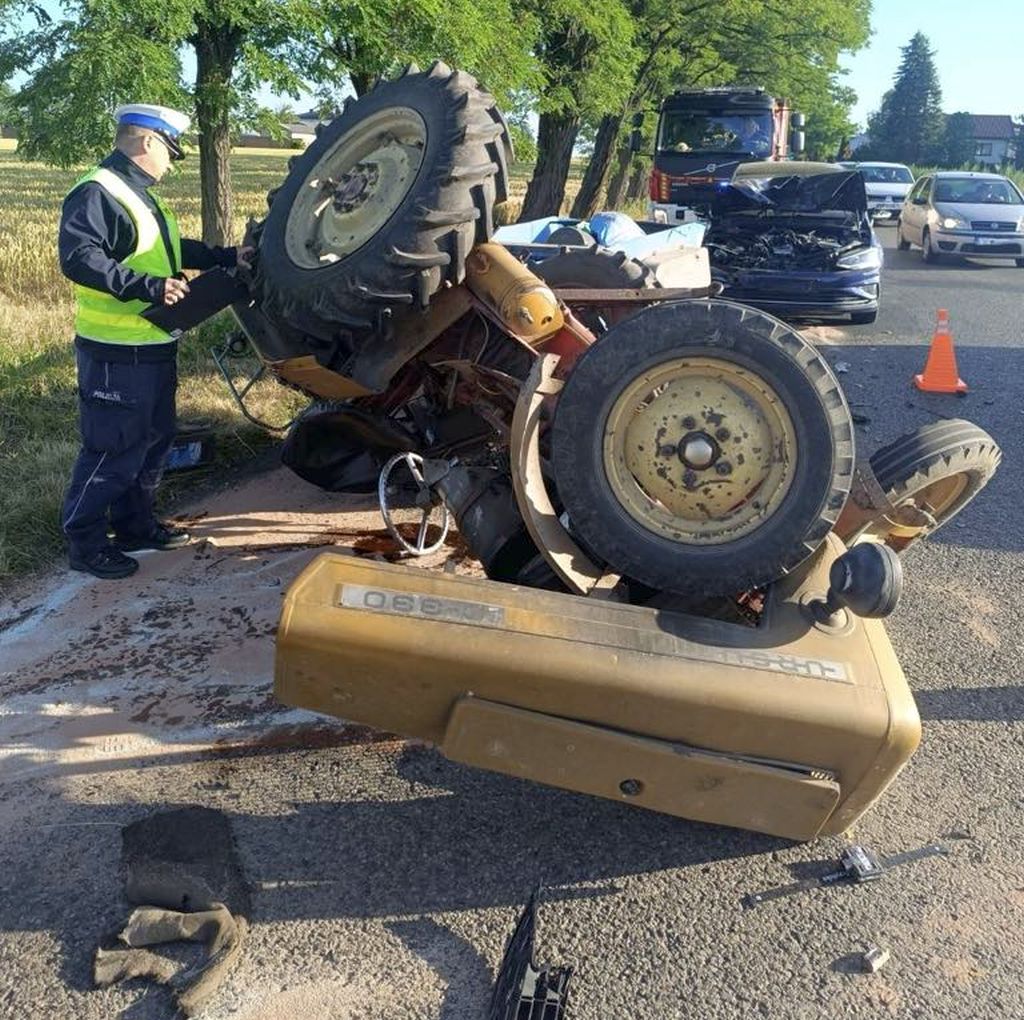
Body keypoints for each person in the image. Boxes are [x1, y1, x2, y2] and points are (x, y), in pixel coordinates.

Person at [58, 103, 253, 579]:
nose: (171, 161)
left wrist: (225, 255)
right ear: (146, 141)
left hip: (153, 340)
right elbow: (79, 257)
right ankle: (84, 543)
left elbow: (168, 249)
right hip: (114, 351)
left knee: (153, 439)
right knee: (112, 447)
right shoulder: (97, 192)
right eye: (169, 151)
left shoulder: (138, 194)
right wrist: (149, 287)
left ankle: (135, 525)